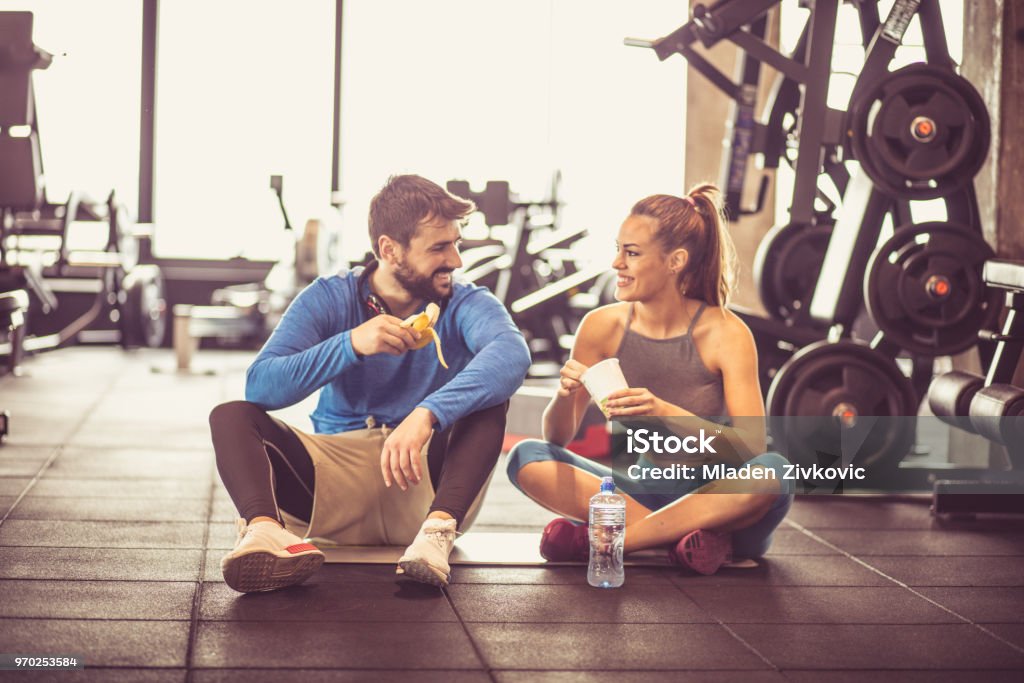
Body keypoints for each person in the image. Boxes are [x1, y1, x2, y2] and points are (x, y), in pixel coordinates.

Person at [210, 174, 531, 592]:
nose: (455, 260)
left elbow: (512, 354)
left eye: (456, 243)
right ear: (389, 249)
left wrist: (428, 413)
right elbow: (261, 386)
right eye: (439, 247)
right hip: (332, 485)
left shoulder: (465, 301)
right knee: (232, 416)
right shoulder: (330, 297)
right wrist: (351, 344)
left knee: (490, 398)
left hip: (427, 488)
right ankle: (265, 532)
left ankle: (436, 537)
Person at [505, 185, 792, 575]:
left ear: (675, 261)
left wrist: (665, 413)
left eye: (632, 253)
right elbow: (557, 438)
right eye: (618, 249)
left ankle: (615, 541)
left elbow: (751, 446)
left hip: (718, 496)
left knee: (771, 473)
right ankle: (676, 541)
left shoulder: (726, 332)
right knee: (528, 457)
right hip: (645, 488)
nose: (616, 263)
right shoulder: (600, 326)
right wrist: (563, 394)